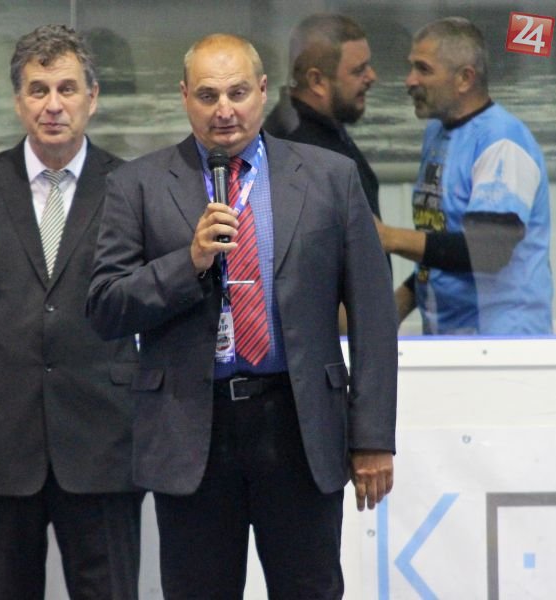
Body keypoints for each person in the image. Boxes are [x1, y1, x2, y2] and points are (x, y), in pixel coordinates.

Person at [88, 33, 397, 598]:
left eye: (237, 93)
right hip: (191, 431)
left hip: (298, 425)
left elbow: (374, 317)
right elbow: (106, 307)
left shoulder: (330, 177)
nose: (224, 110)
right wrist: (188, 262)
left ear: (262, 91)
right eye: (208, 95)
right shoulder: (137, 184)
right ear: (184, 96)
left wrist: (373, 437)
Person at [0, 24, 141, 600]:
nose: (53, 105)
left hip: (106, 441)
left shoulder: (133, 186)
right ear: (19, 101)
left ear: (93, 97)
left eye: (67, 89)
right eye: (38, 90)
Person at [376, 17, 552, 334]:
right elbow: (443, 240)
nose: (409, 81)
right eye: (411, 67)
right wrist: (396, 307)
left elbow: (488, 250)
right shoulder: (437, 133)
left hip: (501, 341)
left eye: (423, 69)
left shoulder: (502, 142)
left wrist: (389, 238)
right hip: (449, 337)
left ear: (464, 79)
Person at [264, 13, 380, 219]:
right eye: (358, 70)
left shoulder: (320, 126)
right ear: (317, 81)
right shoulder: (300, 153)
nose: (372, 77)